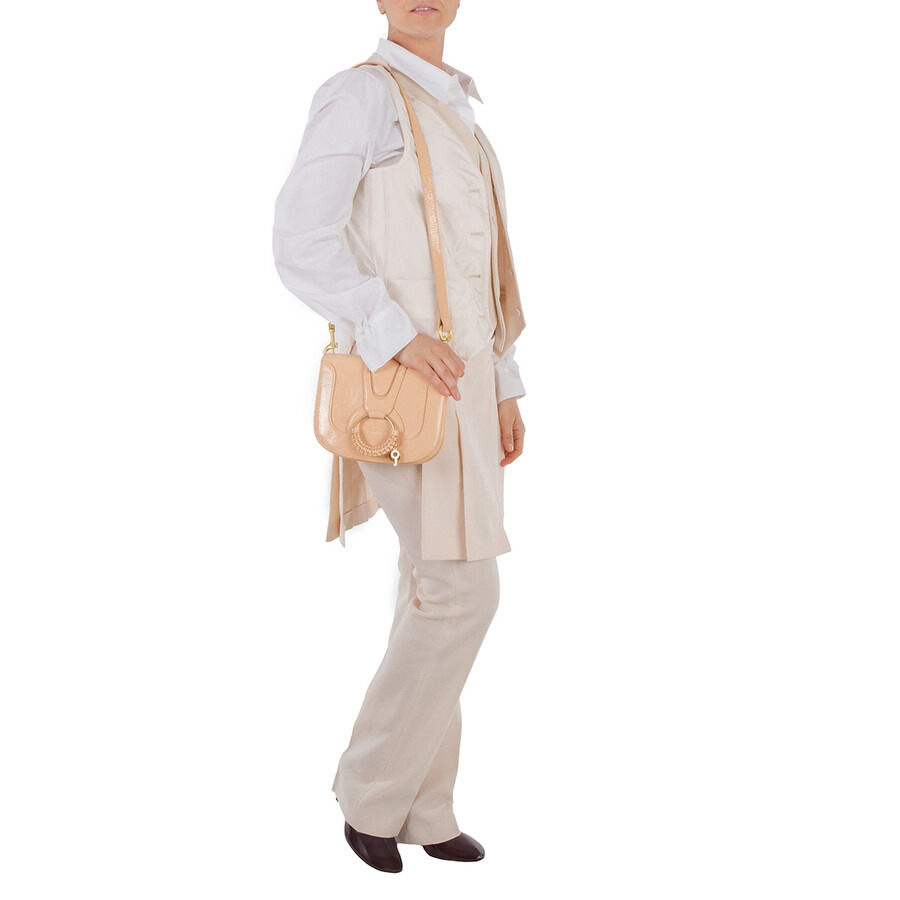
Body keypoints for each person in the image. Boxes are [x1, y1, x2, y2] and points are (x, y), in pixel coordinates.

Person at [272, 0, 527, 873]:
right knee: (461, 592)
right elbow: (300, 237)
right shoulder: (362, 96)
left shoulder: (456, 102)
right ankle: (370, 791)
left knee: (430, 587)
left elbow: (477, 266)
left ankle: (424, 805)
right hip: (404, 384)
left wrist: (505, 386)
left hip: (466, 386)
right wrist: (390, 333)